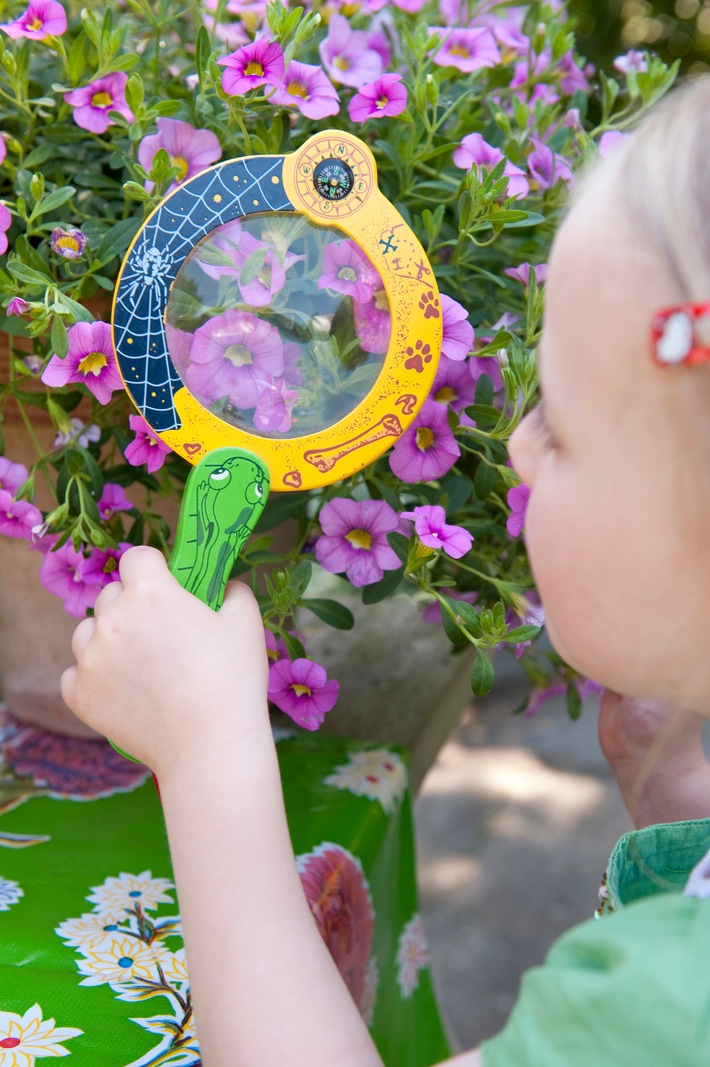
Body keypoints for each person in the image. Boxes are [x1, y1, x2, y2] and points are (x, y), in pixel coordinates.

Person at [61, 77, 710, 1066]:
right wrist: (679, 821)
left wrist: (207, 751)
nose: (520, 451)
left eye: (559, 425)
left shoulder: (658, 1008)